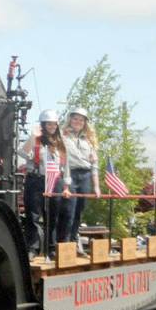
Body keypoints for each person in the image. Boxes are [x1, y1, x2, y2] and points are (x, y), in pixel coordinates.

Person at [22, 110, 71, 257]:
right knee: (33, 215)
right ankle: (33, 248)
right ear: (43, 125)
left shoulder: (60, 143)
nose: (52, 126)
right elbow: (22, 152)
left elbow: (66, 166)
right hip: (35, 180)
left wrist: (66, 186)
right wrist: (33, 136)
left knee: (53, 216)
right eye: (49, 123)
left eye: (54, 124)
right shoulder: (35, 141)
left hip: (55, 181)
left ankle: (51, 248)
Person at [60, 107, 100, 255]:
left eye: (81, 120)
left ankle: (74, 241)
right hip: (69, 174)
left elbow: (94, 163)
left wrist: (96, 186)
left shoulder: (88, 140)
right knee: (68, 211)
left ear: (85, 123)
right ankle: (65, 245)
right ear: (70, 119)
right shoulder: (62, 136)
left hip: (85, 176)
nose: (77, 122)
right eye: (75, 118)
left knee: (78, 212)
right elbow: (62, 160)